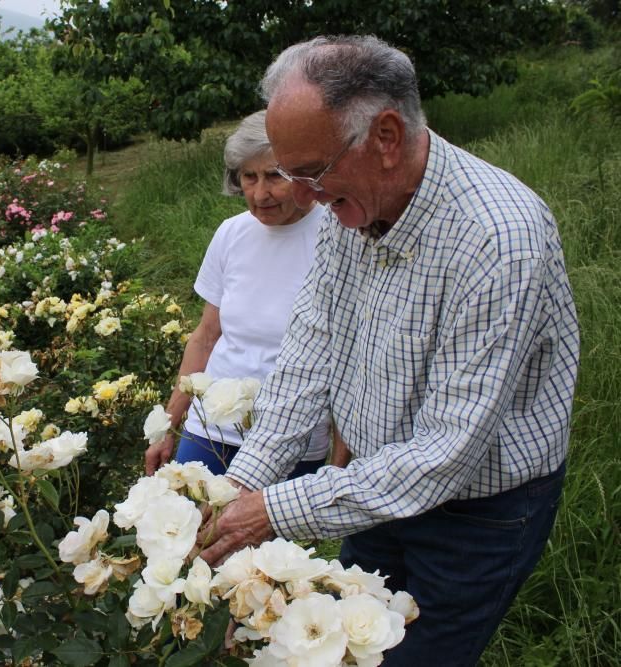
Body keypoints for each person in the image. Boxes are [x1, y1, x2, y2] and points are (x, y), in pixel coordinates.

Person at [199, 35, 580, 666]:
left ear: (384, 136)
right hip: (371, 489)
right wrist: (244, 482)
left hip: (477, 514)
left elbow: (446, 453)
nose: (301, 196)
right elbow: (310, 349)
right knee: (349, 648)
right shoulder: (349, 206)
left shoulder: (500, 239)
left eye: (312, 173)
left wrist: (274, 509)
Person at [144, 110, 334, 477]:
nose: (260, 193)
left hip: (290, 437)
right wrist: (168, 424)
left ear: (301, 174)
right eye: (249, 177)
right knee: (185, 528)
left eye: (275, 176)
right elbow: (205, 337)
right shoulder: (231, 234)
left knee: (267, 537)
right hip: (210, 426)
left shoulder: (335, 236)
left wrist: (339, 466)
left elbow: (349, 358)